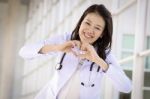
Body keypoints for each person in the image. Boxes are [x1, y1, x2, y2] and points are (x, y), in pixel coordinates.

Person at [19, 4, 132, 99]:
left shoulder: (104, 54)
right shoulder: (65, 39)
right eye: (87, 23)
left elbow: (126, 87)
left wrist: (98, 60)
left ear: (102, 33)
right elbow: (24, 52)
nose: (90, 30)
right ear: (81, 23)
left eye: (97, 28)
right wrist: (57, 48)